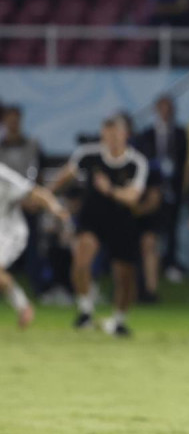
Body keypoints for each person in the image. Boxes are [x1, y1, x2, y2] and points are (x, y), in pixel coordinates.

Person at [50, 114, 149, 335]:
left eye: (116, 134)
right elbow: (65, 175)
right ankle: (85, 311)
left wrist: (110, 190)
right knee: (81, 257)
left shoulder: (136, 162)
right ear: (102, 134)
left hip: (122, 220)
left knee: (125, 275)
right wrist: (45, 196)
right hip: (92, 217)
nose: (111, 139)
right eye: (107, 134)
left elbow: (133, 197)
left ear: (126, 135)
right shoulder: (88, 154)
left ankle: (119, 321)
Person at [0, 160, 68, 328]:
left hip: (9, 232)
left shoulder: (3, 175)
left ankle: (22, 304)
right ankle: (23, 305)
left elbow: (35, 192)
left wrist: (55, 208)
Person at [134, 95, 189, 298]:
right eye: (161, 107)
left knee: (171, 230)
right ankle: (146, 284)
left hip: (173, 189)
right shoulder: (146, 135)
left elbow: (185, 164)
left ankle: (170, 264)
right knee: (149, 239)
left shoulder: (181, 133)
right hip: (151, 192)